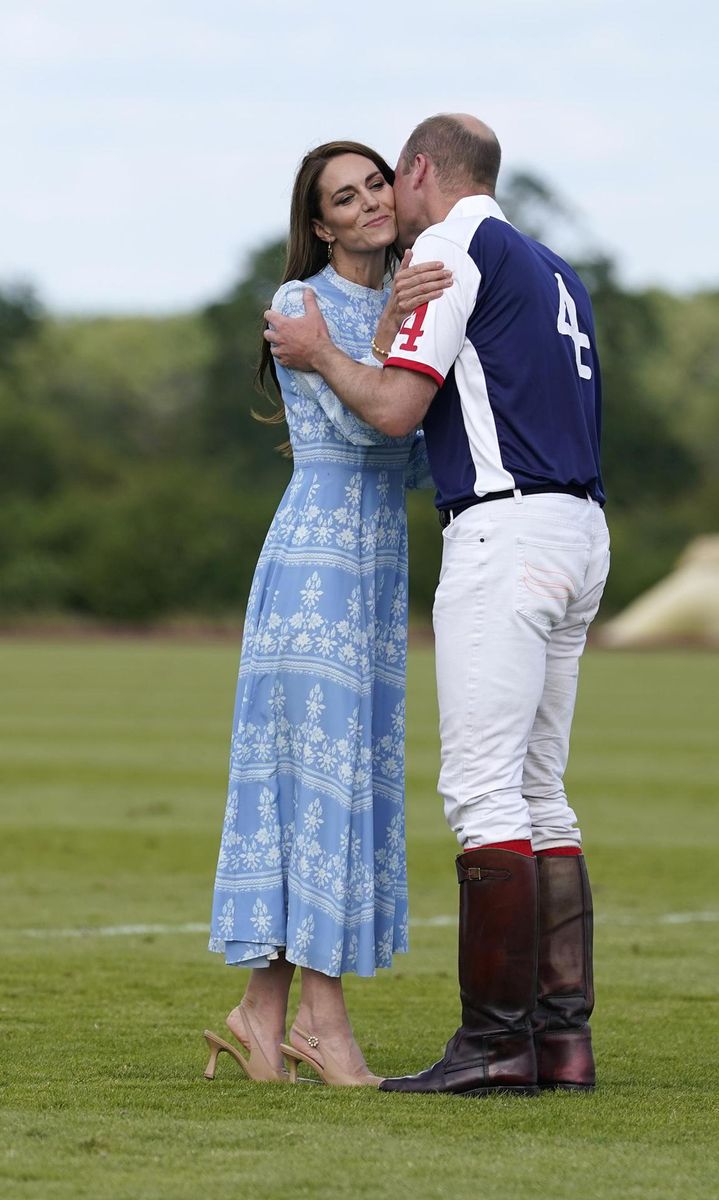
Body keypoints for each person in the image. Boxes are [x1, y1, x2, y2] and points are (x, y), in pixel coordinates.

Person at [264, 113, 611, 1096]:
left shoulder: (454, 249)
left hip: (506, 536)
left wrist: (323, 353)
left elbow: (394, 409)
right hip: (580, 527)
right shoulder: (551, 264)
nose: (387, 205)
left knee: (485, 794)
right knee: (543, 793)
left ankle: (497, 1046)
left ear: (420, 172)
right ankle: (560, 1044)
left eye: (390, 182)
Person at [204, 140, 451, 1088]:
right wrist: (387, 328)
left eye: (376, 183)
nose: (369, 204)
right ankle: (323, 1025)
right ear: (319, 223)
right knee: (314, 780)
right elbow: (362, 422)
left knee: (340, 778)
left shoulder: (416, 290)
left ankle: (259, 1017)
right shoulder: (298, 307)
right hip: (314, 559)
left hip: (378, 558)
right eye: (343, 198)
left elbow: (420, 446)